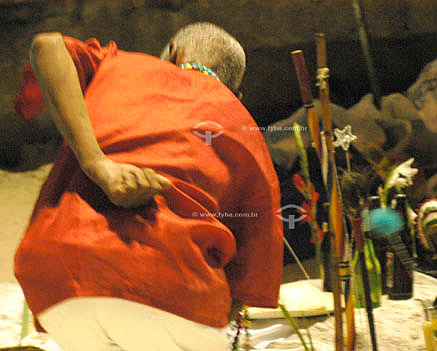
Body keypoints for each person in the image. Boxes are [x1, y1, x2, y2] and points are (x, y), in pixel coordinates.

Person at [14, 22, 283, 351]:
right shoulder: (241, 121)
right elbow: (252, 273)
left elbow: (47, 44)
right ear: (235, 92)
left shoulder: (116, 64)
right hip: (171, 285)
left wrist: (94, 161)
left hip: (57, 282)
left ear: (173, 52)